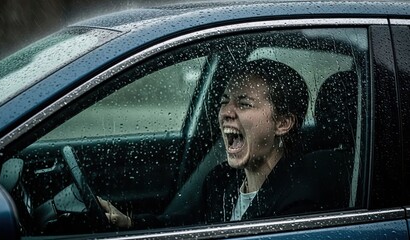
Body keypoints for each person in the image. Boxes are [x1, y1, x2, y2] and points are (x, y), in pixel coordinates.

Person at [98, 58, 314, 227]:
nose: (226, 112)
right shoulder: (220, 180)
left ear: (283, 123)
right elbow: (187, 226)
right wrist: (130, 223)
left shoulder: (299, 203)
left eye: (244, 104)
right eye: (223, 102)